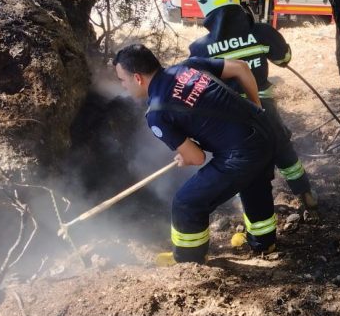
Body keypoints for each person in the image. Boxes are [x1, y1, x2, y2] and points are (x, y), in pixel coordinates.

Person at [113, 44, 278, 265]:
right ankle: (265, 244)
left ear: (137, 78)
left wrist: (186, 157)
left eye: (122, 80)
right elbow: (241, 68)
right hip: (266, 131)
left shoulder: (157, 114)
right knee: (253, 183)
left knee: (186, 203)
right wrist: (256, 108)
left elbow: (197, 158)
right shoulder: (188, 66)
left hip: (242, 153)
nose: (123, 87)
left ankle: (188, 262)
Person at [188, 0, 318, 218]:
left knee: (249, 170)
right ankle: (306, 195)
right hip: (265, 112)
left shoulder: (199, 48)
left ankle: (255, 223)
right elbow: (284, 59)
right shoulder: (261, 32)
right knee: (284, 151)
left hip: (231, 122)